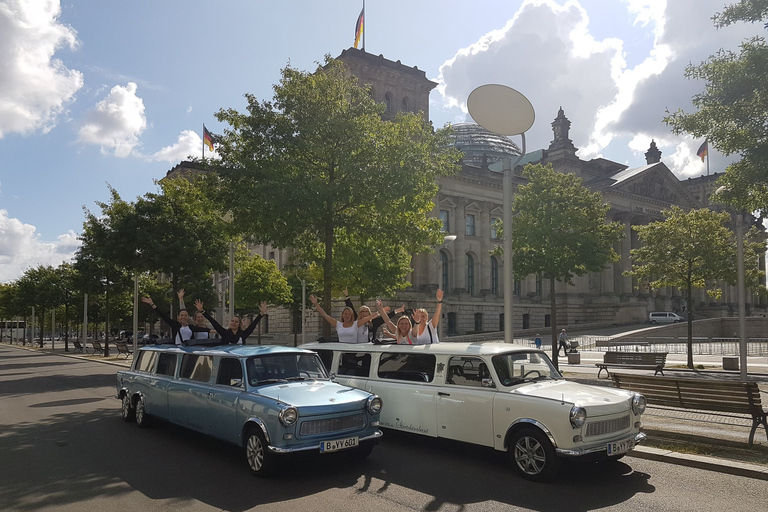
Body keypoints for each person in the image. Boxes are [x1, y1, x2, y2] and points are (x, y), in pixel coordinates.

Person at [141, 297, 209, 345]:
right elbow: (163, 316)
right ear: (178, 317)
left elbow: (208, 330)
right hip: (179, 349)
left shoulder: (191, 327)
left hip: (190, 350)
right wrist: (152, 304)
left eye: (185, 316)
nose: (184, 317)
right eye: (181, 316)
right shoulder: (175, 325)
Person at [310, 293, 376, 343]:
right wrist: (316, 304)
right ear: (342, 315)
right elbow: (325, 315)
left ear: (352, 316)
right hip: (341, 351)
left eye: (349, 314)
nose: (347, 316)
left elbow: (369, 317)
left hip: (353, 352)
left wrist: (381, 311)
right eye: (345, 314)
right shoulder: (338, 324)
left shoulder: (356, 324)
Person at [195, 299, 266, 345]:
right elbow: (214, 322)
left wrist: (261, 314)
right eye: (232, 321)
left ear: (239, 325)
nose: (233, 323)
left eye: (236, 322)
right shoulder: (225, 333)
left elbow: (252, 326)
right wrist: (202, 311)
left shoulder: (243, 334)